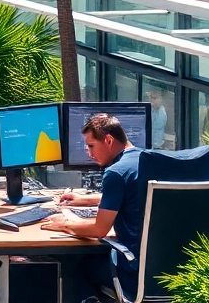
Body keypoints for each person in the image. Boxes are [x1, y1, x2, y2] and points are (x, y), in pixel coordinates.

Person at [39, 114, 142, 301]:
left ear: (109, 140)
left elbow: (99, 229)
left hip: (133, 271)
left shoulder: (116, 173)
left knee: (79, 265)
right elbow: (131, 196)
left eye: (91, 146)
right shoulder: (144, 161)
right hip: (165, 271)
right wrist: (85, 200)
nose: (89, 153)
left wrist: (65, 224)